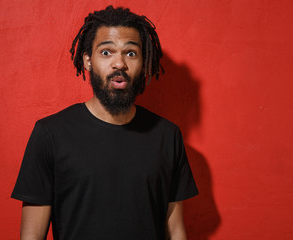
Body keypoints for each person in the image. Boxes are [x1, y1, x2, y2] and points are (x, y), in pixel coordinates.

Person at [12, 5, 198, 240]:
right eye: (106, 52)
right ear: (88, 60)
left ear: (143, 62)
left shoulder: (167, 135)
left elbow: (176, 231)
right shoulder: (50, 134)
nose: (119, 63)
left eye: (131, 53)